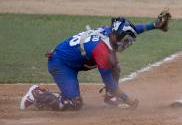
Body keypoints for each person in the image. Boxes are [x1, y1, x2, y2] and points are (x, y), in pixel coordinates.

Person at [20, 14, 171, 111]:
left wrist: (154, 25)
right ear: (117, 37)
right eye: (125, 41)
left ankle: (110, 97)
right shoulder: (102, 51)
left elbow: (133, 29)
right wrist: (128, 100)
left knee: (114, 65)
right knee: (74, 104)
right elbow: (109, 81)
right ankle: (36, 94)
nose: (126, 44)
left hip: (73, 60)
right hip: (61, 64)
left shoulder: (110, 32)